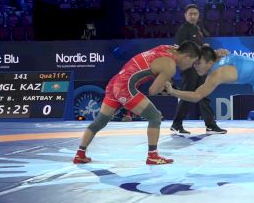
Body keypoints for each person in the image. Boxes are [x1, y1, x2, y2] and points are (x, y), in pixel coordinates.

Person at [72, 41, 201, 165]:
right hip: (125, 87)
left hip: (115, 82)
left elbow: (177, 49)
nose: (191, 66)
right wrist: (168, 87)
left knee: (100, 121)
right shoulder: (170, 66)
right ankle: (153, 156)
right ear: (186, 56)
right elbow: (153, 90)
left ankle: (80, 154)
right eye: (193, 62)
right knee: (155, 117)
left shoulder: (167, 48)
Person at [165, 46, 254, 161]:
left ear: (209, 62)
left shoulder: (216, 74)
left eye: (198, 63)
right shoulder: (215, 56)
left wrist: (173, 91)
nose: (195, 66)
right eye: (195, 63)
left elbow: (197, 96)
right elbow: (206, 49)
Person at [171, 4, 227, 135]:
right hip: (189, 67)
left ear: (198, 15)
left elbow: (196, 47)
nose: (193, 16)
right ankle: (176, 124)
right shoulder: (183, 30)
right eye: (190, 13)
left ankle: (210, 125)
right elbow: (182, 50)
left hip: (199, 67)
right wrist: (201, 48)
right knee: (187, 95)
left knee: (204, 94)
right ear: (185, 15)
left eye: (195, 13)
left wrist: (202, 46)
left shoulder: (198, 28)